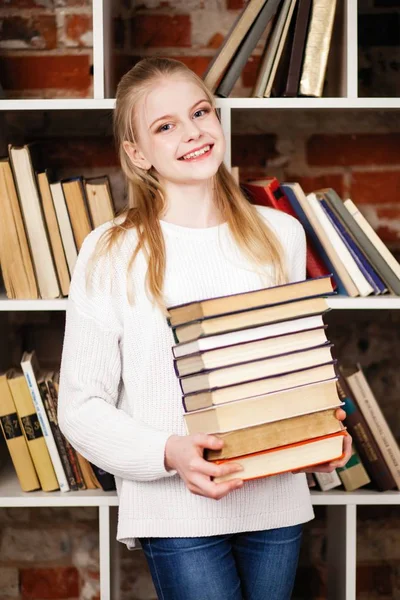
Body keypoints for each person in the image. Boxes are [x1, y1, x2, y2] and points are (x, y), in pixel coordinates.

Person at [58, 57, 352, 600]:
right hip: (175, 511)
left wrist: (319, 428)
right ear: (137, 154)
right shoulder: (110, 250)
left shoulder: (280, 234)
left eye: (200, 113)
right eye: (165, 125)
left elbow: (292, 370)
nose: (192, 132)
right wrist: (172, 453)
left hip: (276, 497)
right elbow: (80, 407)